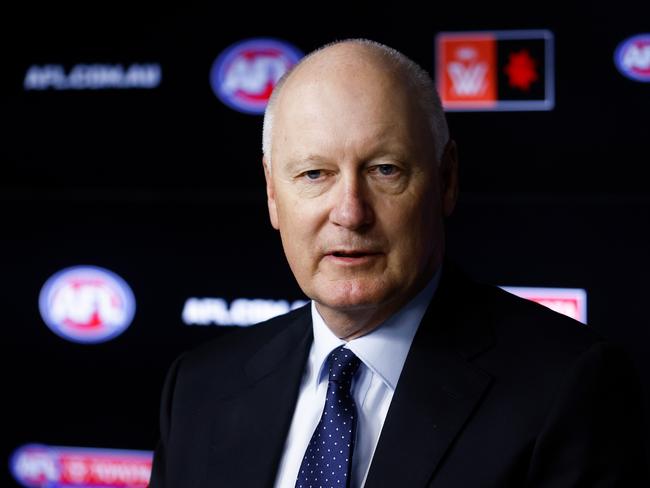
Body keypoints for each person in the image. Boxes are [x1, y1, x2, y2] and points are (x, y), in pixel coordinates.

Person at [149, 39, 648, 487]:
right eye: (314, 173)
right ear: (273, 195)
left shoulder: (568, 388)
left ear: (446, 179)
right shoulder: (197, 388)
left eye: (384, 170)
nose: (349, 212)